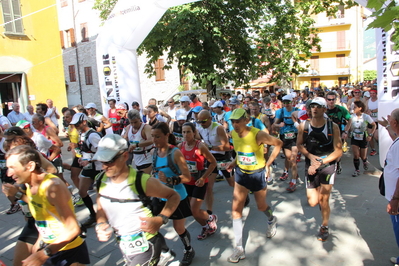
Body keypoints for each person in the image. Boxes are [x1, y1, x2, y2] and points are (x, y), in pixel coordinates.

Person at [93, 134, 180, 266]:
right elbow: (100, 207)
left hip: (147, 243)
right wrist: (100, 224)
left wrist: (161, 219)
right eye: (101, 161)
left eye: (109, 160)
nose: (105, 166)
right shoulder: (100, 180)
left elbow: (174, 196)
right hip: (123, 243)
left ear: (125, 156)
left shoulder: (142, 181)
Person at [2, 145, 90, 266]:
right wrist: (40, 241)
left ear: (30, 166)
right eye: (7, 168)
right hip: (49, 247)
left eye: (13, 167)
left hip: (69, 250)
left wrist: (43, 254)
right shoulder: (29, 185)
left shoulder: (52, 186)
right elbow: (43, 215)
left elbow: (73, 229)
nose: (8, 173)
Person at [226, 108, 282, 263]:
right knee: (236, 210)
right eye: (232, 121)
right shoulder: (233, 134)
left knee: (261, 206)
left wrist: (268, 165)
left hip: (257, 174)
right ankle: (239, 248)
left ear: (246, 120)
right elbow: (240, 152)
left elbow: (278, 143)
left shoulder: (258, 134)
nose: (235, 125)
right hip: (241, 174)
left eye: (238, 121)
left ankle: (271, 219)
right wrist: (234, 162)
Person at [297, 97, 343, 241]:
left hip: (327, 164)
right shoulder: (304, 126)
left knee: (324, 199)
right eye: (312, 106)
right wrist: (311, 157)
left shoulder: (332, 126)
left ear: (324, 109)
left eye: (318, 106)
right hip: (311, 164)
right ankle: (323, 210)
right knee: (312, 201)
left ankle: (324, 226)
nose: (314, 109)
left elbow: (338, 151)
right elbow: (299, 145)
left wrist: (320, 161)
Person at [151, 122, 195, 266]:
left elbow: (187, 177)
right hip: (159, 196)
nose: (154, 140)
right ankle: (165, 252)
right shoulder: (154, 152)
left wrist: (170, 179)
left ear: (166, 135)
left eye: (157, 136)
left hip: (176, 197)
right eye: (152, 136)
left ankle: (189, 250)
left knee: (179, 228)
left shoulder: (175, 152)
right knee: (151, 227)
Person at [178, 122, 218, 240]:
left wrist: (203, 177)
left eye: (188, 132)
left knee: (194, 210)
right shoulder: (181, 146)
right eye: (184, 132)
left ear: (194, 132)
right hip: (187, 182)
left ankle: (210, 218)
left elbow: (213, 162)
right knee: (191, 211)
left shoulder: (200, 146)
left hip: (199, 182)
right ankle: (206, 226)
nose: (186, 134)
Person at [197, 110, 234, 215]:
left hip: (223, 157)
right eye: (199, 122)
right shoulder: (200, 128)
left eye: (203, 121)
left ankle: (244, 196)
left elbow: (226, 147)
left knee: (231, 183)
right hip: (211, 158)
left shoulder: (218, 128)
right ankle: (209, 213)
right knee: (209, 187)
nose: (201, 124)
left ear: (210, 119)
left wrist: (209, 147)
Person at [70, 112, 103, 227]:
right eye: (74, 125)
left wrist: (89, 161)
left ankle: (102, 217)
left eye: (77, 124)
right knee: (82, 191)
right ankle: (93, 215)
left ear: (84, 122)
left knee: (101, 195)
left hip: (98, 168)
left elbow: (102, 151)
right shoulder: (82, 134)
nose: (76, 126)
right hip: (88, 167)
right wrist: (82, 159)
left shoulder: (93, 135)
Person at [273, 94, 300, 192]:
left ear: (292, 102)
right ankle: (293, 173)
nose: (286, 104)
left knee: (293, 159)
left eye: (288, 102)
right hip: (284, 136)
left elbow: (304, 122)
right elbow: (274, 124)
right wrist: (279, 125)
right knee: (288, 158)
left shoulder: (297, 111)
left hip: (295, 136)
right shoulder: (280, 112)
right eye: (284, 102)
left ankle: (293, 182)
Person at [325, 91, 352, 174]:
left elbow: (350, 119)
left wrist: (346, 131)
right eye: (329, 99)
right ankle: (331, 164)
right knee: (328, 151)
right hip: (326, 133)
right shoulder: (323, 110)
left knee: (338, 150)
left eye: (333, 99)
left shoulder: (341, 109)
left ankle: (337, 163)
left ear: (336, 99)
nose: (331, 101)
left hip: (339, 133)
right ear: (326, 100)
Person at [348, 101, 376, 177]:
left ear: (360, 108)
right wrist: (345, 132)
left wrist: (370, 135)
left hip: (363, 137)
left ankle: (364, 161)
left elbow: (374, 125)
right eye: (353, 107)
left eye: (355, 107)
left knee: (363, 156)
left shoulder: (366, 117)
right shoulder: (352, 116)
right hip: (354, 137)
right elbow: (348, 125)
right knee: (356, 155)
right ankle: (357, 170)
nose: (353, 109)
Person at [123, 110, 154, 174]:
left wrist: (137, 145)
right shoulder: (129, 127)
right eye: (131, 122)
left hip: (146, 158)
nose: (133, 125)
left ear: (139, 119)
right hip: (135, 158)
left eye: (135, 122)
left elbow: (151, 140)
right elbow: (125, 138)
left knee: (144, 180)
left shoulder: (146, 127)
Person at [366, 89, 379, 156]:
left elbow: (380, 108)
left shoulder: (379, 101)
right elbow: (365, 109)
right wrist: (367, 111)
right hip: (370, 121)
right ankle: (373, 149)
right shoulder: (368, 101)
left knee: (376, 136)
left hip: (377, 121)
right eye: (371, 93)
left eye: (373, 93)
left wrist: (373, 111)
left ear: (376, 94)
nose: (372, 95)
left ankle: (379, 145)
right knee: (370, 136)